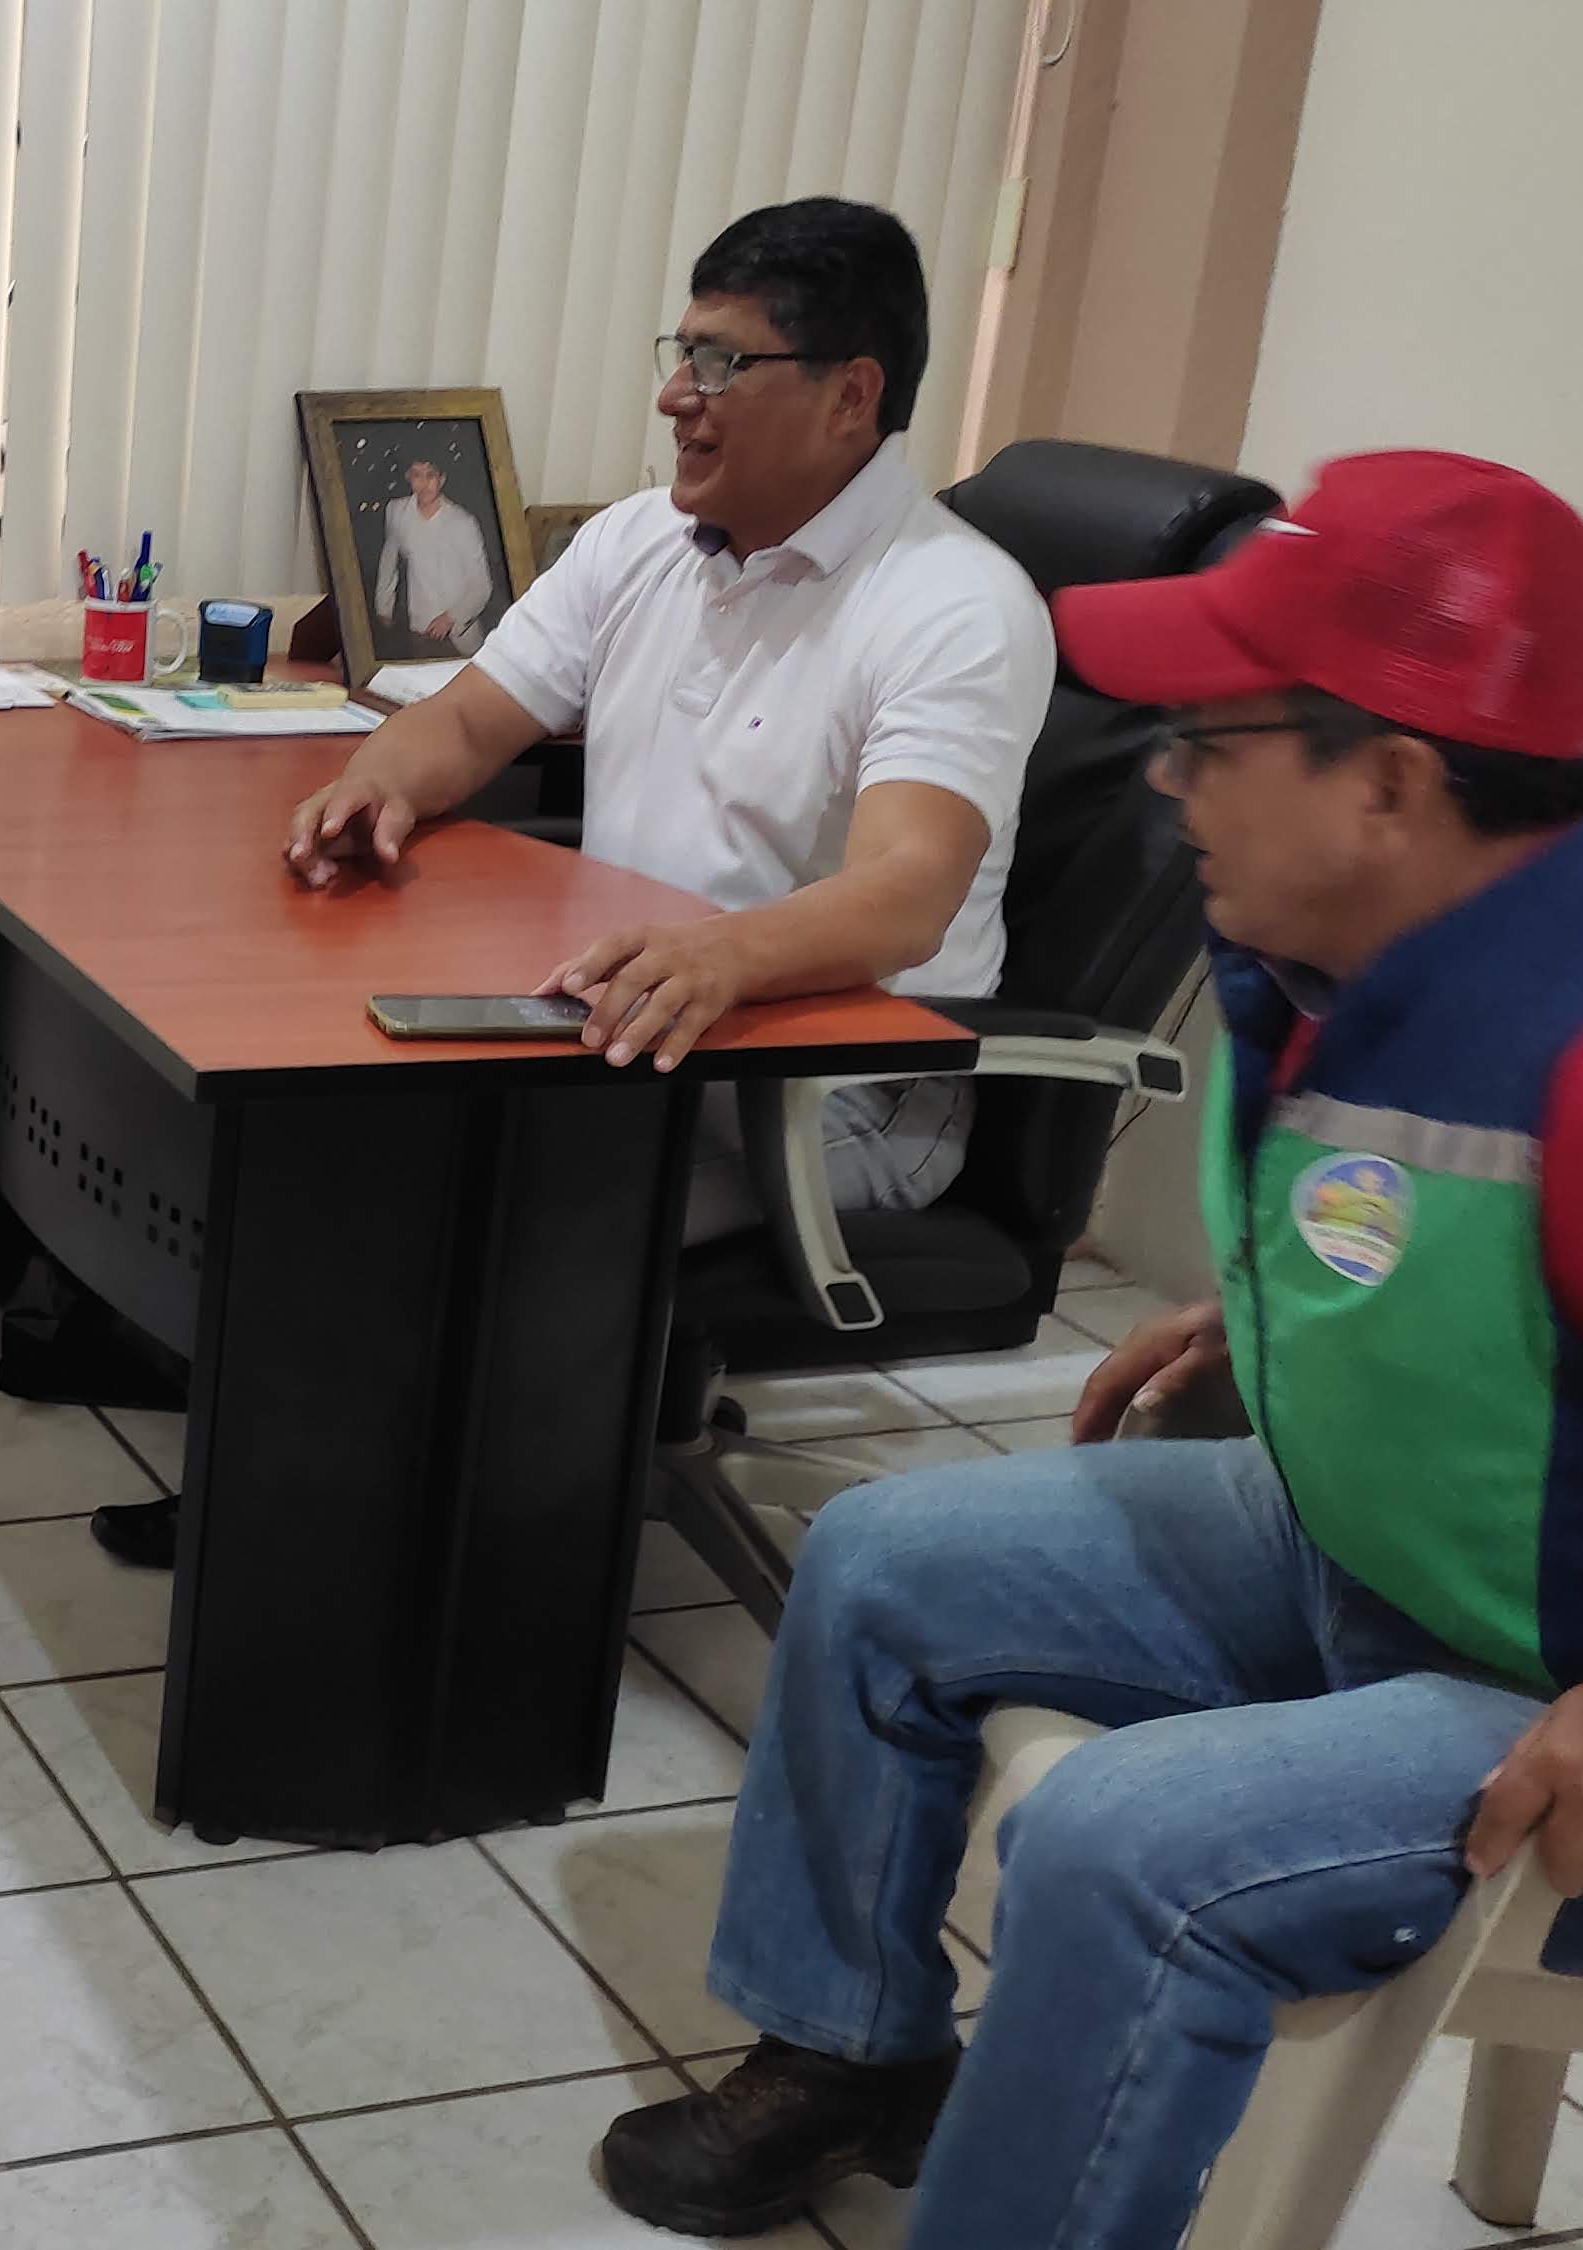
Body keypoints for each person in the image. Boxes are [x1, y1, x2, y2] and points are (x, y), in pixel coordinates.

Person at [590, 450, 1583, 2248]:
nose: (1166, 783)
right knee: (878, 1563)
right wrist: (1294, 1308)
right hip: (1384, 1558)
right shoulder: (1380, 934)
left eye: (1210, 742)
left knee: (1121, 1845)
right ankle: (853, 2055)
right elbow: (1471, 1218)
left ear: (1388, 779)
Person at [94, 195, 1050, 1569]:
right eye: (681, 351)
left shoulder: (954, 605)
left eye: (722, 362)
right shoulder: (637, 542)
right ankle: (320, 1490)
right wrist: (380, 783)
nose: (675, 395)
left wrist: (722, 953)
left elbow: (908, 892)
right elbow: (467, 721)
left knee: (458, 1206)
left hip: (833, 1085)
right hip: (627, 1026)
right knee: (341, 1136)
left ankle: (353, 1558)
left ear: (852, 396)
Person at [372, 456, 501, 655]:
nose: (424, 484)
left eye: (430, 475)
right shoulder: (397, 511)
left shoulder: (462, 522)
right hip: (420, 629)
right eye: (417, 475)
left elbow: (481, 585)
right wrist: (383, 606)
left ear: (442, 479)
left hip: (459, 634)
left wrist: (451, 617)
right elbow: (388, 560)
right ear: (408, 477)